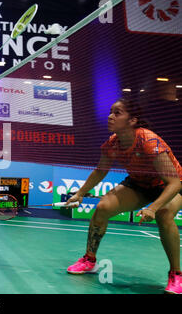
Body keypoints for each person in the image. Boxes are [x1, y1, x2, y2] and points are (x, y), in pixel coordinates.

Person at [64, 98, 182, 294]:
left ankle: (176, 274)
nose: (110, 116)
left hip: (169, 186)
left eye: (117, 113)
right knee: (103, 208)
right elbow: (100, 171)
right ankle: (89, 260)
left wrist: (152, 208)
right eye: (111, 111)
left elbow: (174, 183)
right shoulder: (113, 143)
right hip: (139, 184)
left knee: (163, 214)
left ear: (132, 120)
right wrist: (80, 193)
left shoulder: (149, 141)